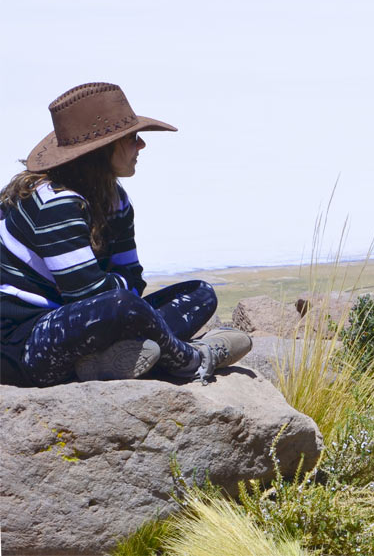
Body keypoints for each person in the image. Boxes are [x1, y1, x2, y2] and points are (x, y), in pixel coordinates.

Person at [0, 82, 251, 386]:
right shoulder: (54, 203)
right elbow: (91, 296)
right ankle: (192, 358)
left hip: (80, 324)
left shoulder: (115, 199)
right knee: (121, 305)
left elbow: (132, 279)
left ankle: (106, 362)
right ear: (102, 149)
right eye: (131, 138)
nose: (141, 145)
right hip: (21, 346)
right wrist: (114, 290)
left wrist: (112, 289)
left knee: (199, 294)